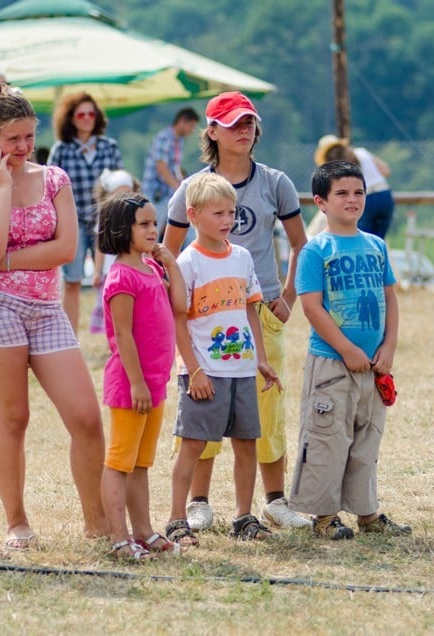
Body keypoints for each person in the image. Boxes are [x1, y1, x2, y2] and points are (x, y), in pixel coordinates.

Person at [0, 81, 108, 550]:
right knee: (14, 419)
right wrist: (3, 190)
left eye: (29, 136)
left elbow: (65, 250)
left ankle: (97, 522)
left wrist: (5, 261)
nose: (24, 147)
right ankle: (16, 521)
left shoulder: (54, 179)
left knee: (86, 417)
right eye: (12, 139)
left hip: (46, 309)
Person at [164, 91, 311, 532]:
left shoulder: (275, 182)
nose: (244, 130)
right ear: (211, 132)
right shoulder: (189, 190)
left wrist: (287, 296)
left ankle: (273, 500)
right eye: (233, 124)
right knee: (203, 406)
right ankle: (198, 502)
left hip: (259, 309)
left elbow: (300, 243)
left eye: (249, 122)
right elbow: (167, 257)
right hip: (205, 317)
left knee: (266, 408)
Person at [288, 160, 410, 540]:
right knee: (328, 438)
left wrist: (388, 346)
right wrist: (344, 349)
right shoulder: (315, 250)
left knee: (366, 438)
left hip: (373, 365)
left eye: (358, 192)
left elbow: (390, 299)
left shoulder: (376, 246)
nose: (352, 200)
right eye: (341, 193)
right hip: (331, 363)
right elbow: (311, 306)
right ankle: (323, 516)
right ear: (321, 202)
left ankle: (367, 513)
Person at [165, 172, 282, 547]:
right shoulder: (187, 263)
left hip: (242, 369)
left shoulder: (243, 257)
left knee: (247, 442)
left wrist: (260, 359)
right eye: (218, 213)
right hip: (204, 373)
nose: (227, 220)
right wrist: (193, 370)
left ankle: (243, 516)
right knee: (193, 444)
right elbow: (178, 321)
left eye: (231, 213)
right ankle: (176, 518)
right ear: (193, 214)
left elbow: (251, 312)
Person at [97, 193, 186, 560]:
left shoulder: (153, 268)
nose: (154, 230)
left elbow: (181, 305)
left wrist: (170, 263)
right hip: (131, 387)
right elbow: (123, 335)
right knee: (120, 462)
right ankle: (119, 538)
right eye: (144, 224)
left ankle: (144, 531)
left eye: (155, 222)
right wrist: (136, 383)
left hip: (154, 385)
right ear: (123, 229)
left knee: (141, 463)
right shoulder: (121, 277)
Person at [48, 92, 124, 334]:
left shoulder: (109, 147)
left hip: (105, 219)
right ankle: (70, 336)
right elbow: (48, 184)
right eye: (81, 114)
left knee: (113, 277)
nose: (87, 118)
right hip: (73, 220)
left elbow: (121, 183)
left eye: (91, 113)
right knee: (72, 280)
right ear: (71, 118)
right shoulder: (61, 149)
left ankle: (114, 332)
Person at [314, 134, 394, 239]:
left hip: (366, 199)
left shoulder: (338, 166)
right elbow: (386, 171)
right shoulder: (362, 152)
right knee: (377, 241)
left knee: (361, 240)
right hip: (385, 195)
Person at [89, 168, 139, 335]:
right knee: (111, 308)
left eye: (128, 192)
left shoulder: (137, 214)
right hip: (110, 273)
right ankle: (112, 337)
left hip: (132, 271)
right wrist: (96, 271)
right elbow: (100, 247)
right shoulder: (106, 215)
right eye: (119, 192)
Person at [141, 107, 199, 238]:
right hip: (155, 194)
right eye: (191, 126)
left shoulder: (178, 141)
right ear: (183, 121)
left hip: (167, 194)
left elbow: (174, 167)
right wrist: (179, 188)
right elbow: (161, 167)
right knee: (151, 232)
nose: (191, 130)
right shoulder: (165, 138)